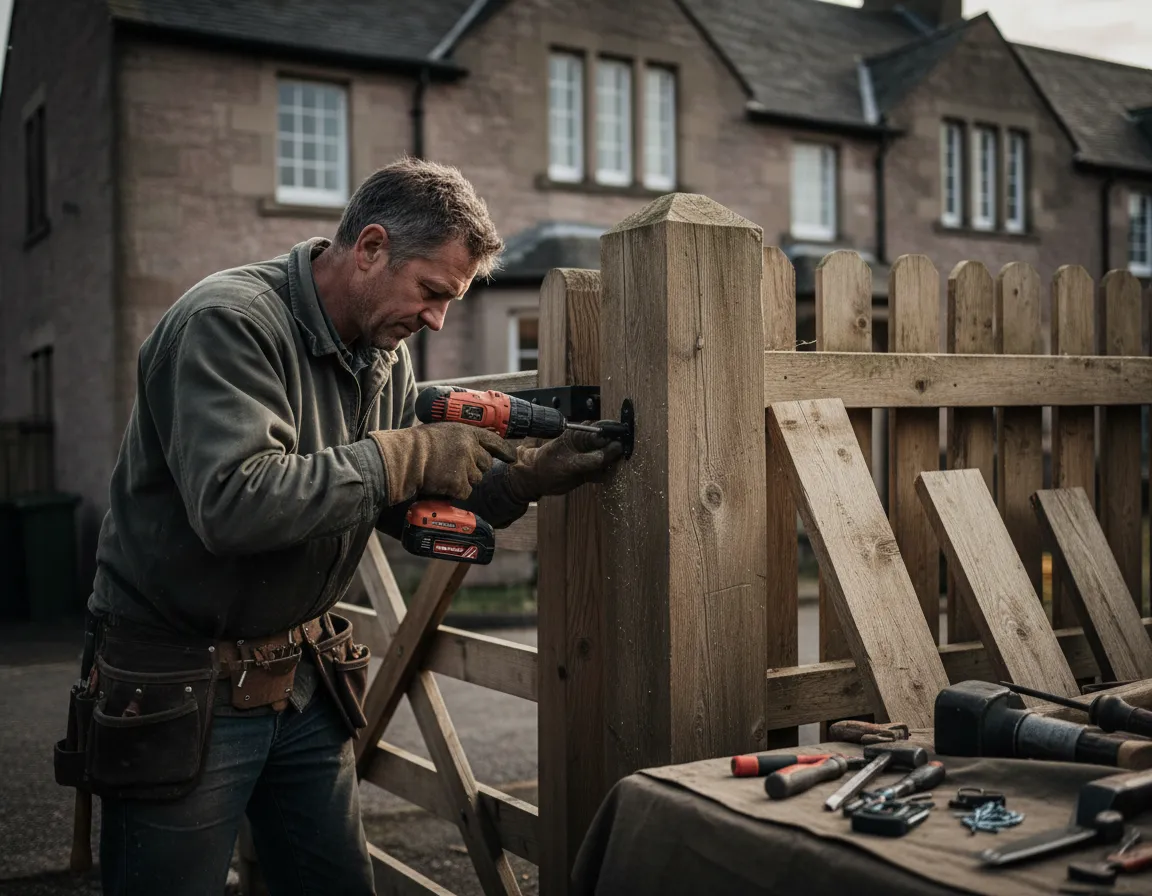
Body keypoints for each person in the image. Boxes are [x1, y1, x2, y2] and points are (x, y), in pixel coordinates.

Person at [55, 158, 623, 895]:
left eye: (450, 301)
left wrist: (528, 478)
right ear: (372, 248)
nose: (437, 319)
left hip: (301, 681)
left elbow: (393, 494)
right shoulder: (227, 323)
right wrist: (410, 451)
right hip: (183, 682)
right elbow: (236, 503)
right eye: (431, 292)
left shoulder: (383, 354)